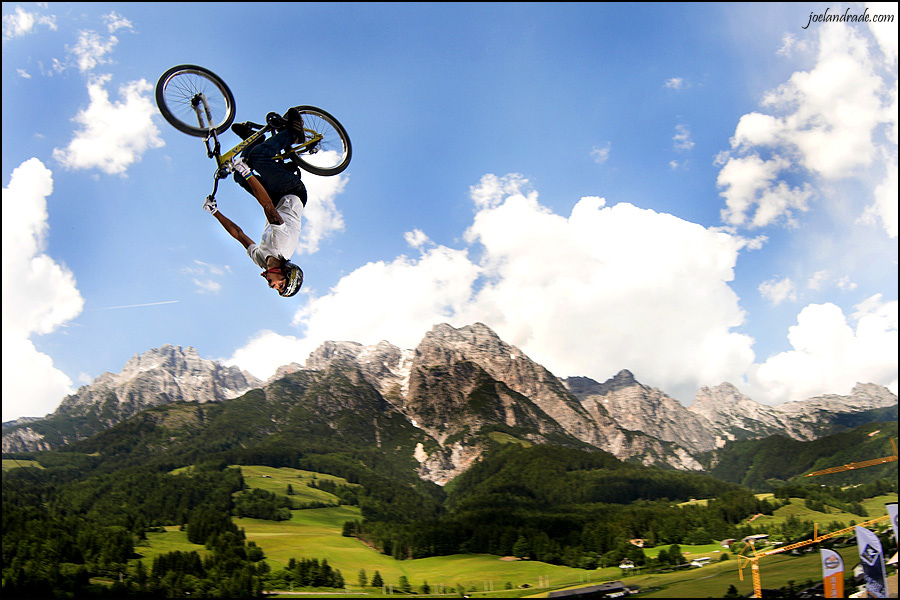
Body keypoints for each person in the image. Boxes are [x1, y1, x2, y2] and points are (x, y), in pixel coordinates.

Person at [202, 110, 307, 297]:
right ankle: (294, 134)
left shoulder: (261, 260)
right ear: (285, 274)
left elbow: (239, 235)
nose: (274, 287)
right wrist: (248, 173)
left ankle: (253, 139)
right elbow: (268, 207)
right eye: (280, 286)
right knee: (257, 160)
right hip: (292, 191)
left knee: (238, 176)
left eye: (278, 290)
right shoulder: (282, 246)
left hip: (275, 199)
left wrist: (215, 212)